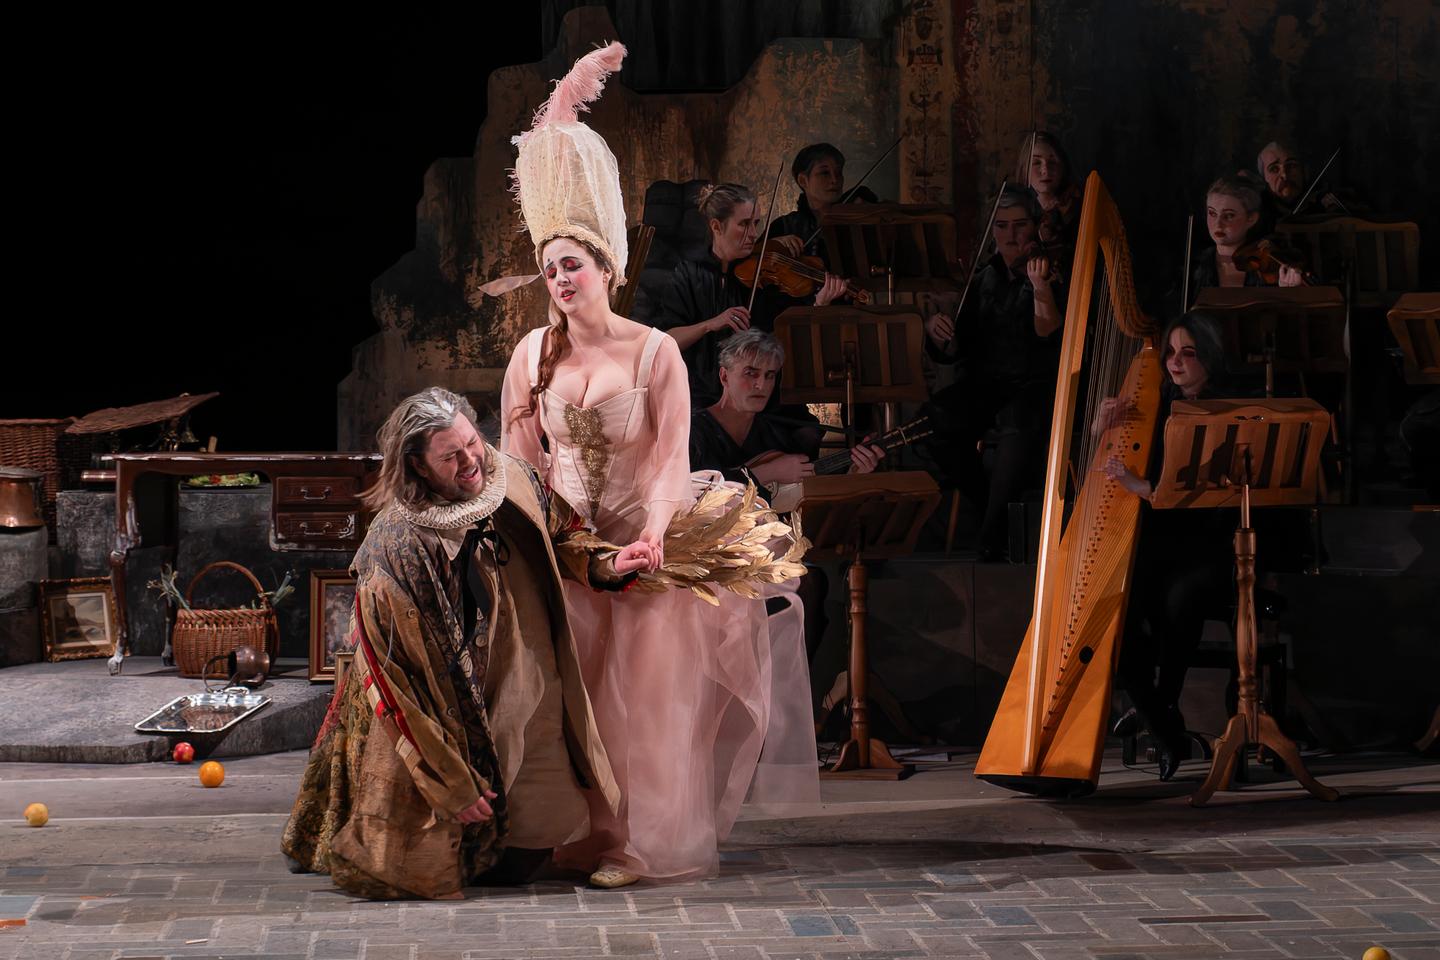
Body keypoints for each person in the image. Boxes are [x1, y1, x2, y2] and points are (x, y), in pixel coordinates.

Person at [496, 43, 816, 889]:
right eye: (548, 268)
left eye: (572, 264)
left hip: (644, 539)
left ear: (605, 267)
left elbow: (673, 456)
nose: (559, 279)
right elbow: (518, 460)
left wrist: (655, 537)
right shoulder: (530, 354)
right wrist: (535, 541)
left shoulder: (653, 353)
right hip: (568, 550)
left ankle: (630, 845)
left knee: (638, 703)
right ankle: (569, 832)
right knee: (569, 696)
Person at [281, 387, 654, 900]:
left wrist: (609, 562)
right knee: (433, 855)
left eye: (472, 442)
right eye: (450, 456)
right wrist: (448, 779)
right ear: (417, 465)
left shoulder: (514, 478)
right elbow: (394, 678)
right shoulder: (396, 544)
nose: (471, 460)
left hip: (524, 670)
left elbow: (564, 535)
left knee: (527, 857)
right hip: (441, 700)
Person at [1096, 312, 1238, 781]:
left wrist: (1141, 487)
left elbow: (1204, 494)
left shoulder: (1225, 410)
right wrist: (1102, 427)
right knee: (1117, 608)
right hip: (1160, 541)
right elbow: (1111, 461)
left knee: (1180, 598)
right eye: (1171, 353)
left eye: (1188, 353)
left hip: (1210, 543)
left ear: (1210, 358)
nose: (1175, 362)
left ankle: (1160, 710)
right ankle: (1160, 718)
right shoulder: (1157, 402)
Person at [923, 185, 1065, 559]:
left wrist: (1041, 289)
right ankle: (991, 508)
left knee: (1018, 417)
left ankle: (992, 533)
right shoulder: (984, 277)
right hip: (989, 385)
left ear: (1035, 226)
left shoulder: (1054, 273)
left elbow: (1049, 335)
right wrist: (937, 333)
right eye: (1001, 226)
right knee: (933, 420)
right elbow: (957, 350)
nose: (1011, 236)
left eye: (1020, 225)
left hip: (1038, 384)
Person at [653, 181, 846, 407]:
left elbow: (784, 339)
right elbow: (668, 340)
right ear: (716, 226)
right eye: (744, 224)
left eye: (756, 223)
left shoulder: (763, 275)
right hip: (701, 400)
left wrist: (818, 306)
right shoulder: (688, 274)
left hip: (759, 401)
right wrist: (710, 324)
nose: (754, 234)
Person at [688, 329, 883, 486]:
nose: (762, 385)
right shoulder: (691, 431)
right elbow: (689, 494)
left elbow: (793, 503)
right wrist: (768, 472)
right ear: (724, 376)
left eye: (770, 375)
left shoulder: (776, 436)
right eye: (751, 373)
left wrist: (854, 474)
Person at [1179, 175, 1304, 308]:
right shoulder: (1193, 266)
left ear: (1251, 218)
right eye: (1212, 213)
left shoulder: (1267, 264)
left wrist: (1287, 294)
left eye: (1229, 215)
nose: (1218, 224)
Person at [772, 142, 880, 259]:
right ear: (803, 180)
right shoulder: (784, 226)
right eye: (825, 173)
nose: (835, 180)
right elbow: (758, 259)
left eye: (838, 172)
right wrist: (774, 243)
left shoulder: (856, 210)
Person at [1014, 131, 1082, 263]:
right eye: (1036, 162)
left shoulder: (1077, 213)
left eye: (1052, 162)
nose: (1045, 170)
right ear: (1024, 169)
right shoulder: (1014, 214)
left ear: (1062, 167)